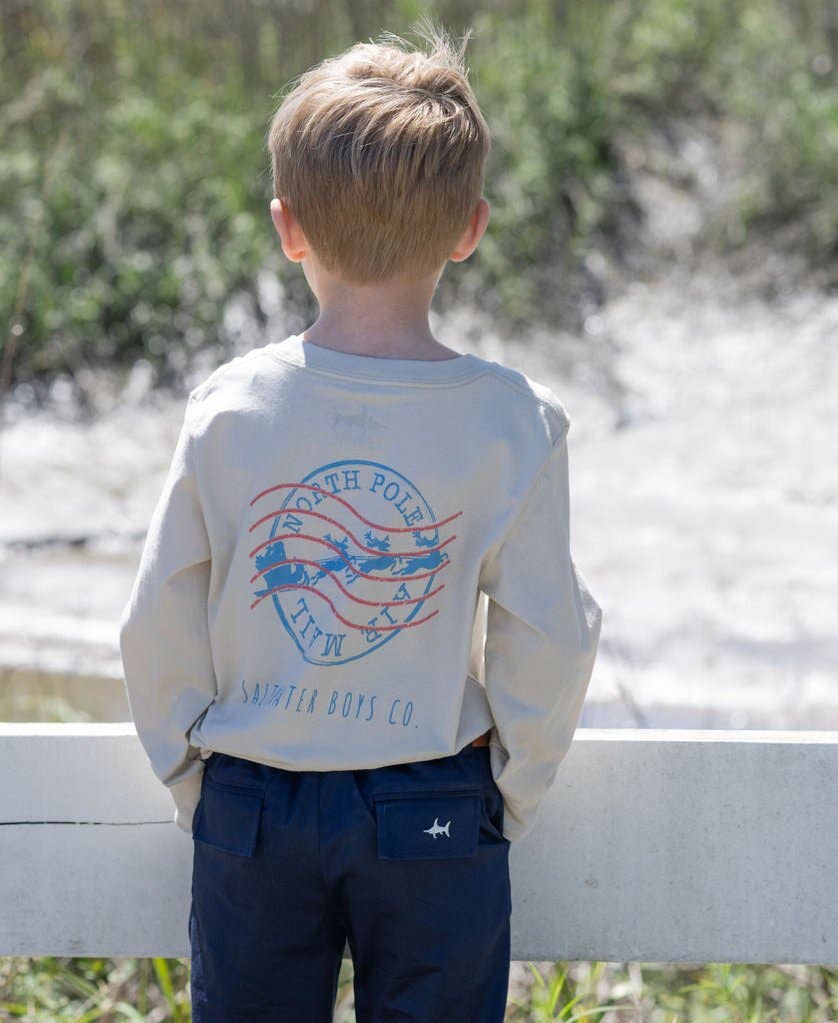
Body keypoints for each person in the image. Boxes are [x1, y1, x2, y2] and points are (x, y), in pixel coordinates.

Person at [118, 17, 603, 1023]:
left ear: (286, 226)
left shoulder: (232, 406)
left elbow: (157, 615)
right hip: (433, 803)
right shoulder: (513, 419)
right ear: (470, 229)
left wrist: (188, 776)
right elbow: (549, 634)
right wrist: (510, 792)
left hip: (251, 804)